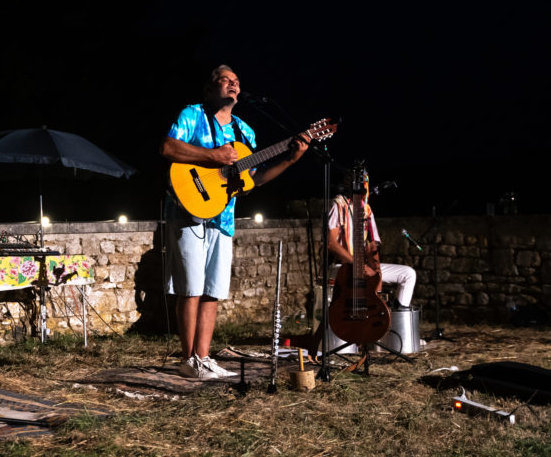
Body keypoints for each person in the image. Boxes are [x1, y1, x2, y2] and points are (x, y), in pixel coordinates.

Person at [160, 65, 309, 380]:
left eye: (237, 82)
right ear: (210, 88)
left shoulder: (245, 132)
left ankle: (203, 356)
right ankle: (187, 360)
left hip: (224, 218)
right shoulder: (192, 115)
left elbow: (253, 179)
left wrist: (289, 159)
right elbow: (168, 148)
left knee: (213, 290)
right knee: (191, 288)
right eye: (225, 80)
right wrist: (214, 157)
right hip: (189, 212)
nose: (233, 85)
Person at [326, 168, 416, 310]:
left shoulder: (366, 209)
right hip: (341, 267)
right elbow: (331, 243)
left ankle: (395, 319)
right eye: (362, 185)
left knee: (408, 274)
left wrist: (377, 278)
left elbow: (372, 248)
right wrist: (358, 264)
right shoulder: (338, 204)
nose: (365, 189)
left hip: (363, 267)